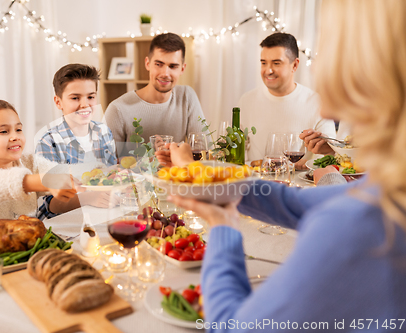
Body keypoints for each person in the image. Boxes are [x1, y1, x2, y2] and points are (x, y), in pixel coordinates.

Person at [167, 0, 406, 330]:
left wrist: (222, 228)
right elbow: (294, 203)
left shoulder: (359, 228)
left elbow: (231, 325)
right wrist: (202, 173)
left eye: (330, 54)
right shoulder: (384, 193)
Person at [0, 100, 78, 237]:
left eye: (18, 129)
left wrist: (93, 174)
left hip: (21, 243)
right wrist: (44, 181)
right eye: (4, 131)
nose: (15, 137)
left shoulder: (29, 162)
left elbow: (60, 171)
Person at [238, 32, 336, 164]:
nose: (268, 70)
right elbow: (237, 153)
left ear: (294, 65)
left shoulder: (317, 102)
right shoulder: (246, 101)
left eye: (276, 63)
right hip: (256, 182)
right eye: (264, 63)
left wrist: (315, 157)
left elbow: (331, 155)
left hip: (299, 183)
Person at [104, 32, 205, 156]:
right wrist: (148, 156)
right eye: (159, 64)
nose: (165, 73)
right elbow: (107, 165)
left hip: (175, 174)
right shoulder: (117, 109)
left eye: (173, 66)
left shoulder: (187, 96)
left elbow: (203, 150)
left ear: (182, 69)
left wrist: (173, 151)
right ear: (147, 63)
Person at [35, 64, 117, 209]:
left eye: (90, 97)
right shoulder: (49, 142)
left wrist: (119, 176)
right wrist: (88, 198)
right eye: (75, 98)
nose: (85, 105)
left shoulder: (103, 131)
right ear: (58, 102)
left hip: (104, 212)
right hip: (68, 223)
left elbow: (110, 176)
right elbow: (48, 205)